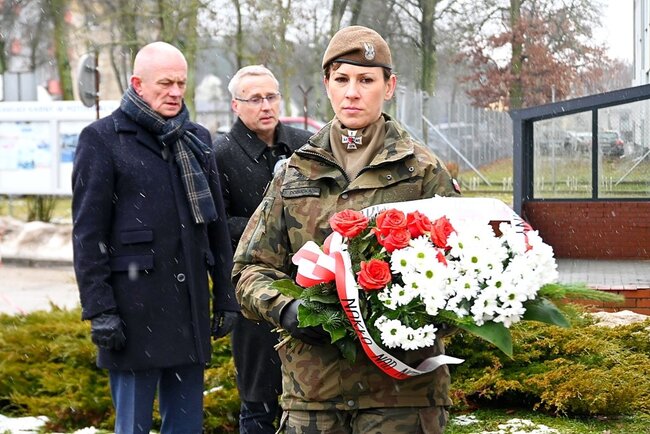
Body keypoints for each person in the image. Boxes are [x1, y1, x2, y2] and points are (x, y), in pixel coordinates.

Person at [232, 26, 461, 434]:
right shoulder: (296, 171)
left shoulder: (423, 172)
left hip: (402, 397)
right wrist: (288, 309)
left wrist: (406, 315)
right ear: (327, 84)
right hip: (314, 395)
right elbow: (249, 268)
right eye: (342, 79)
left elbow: (463, 274)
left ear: (389, 86)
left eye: (366, 80)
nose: (352, 93)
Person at [71, 41, 239, 434]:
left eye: (181, 83)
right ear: (138, 84)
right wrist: (100, 310)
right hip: (132, 315)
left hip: (188, 311)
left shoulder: (196, 138)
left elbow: (215, 228)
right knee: (132, 427)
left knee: (187, 427)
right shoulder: (102, 139)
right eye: (165, 83)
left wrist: (226, 296)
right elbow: (87, 234)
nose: (176, 92)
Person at [214, 65, 313, 434]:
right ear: (235, 105)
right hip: (252, 292)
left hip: (308, 285)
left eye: (271, 96)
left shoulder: (307, 144)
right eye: (255, 99)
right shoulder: (220, 154)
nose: (266, 105)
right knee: (258, 401)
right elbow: (215, 224)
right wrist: (271, 232)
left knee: (311, 397)